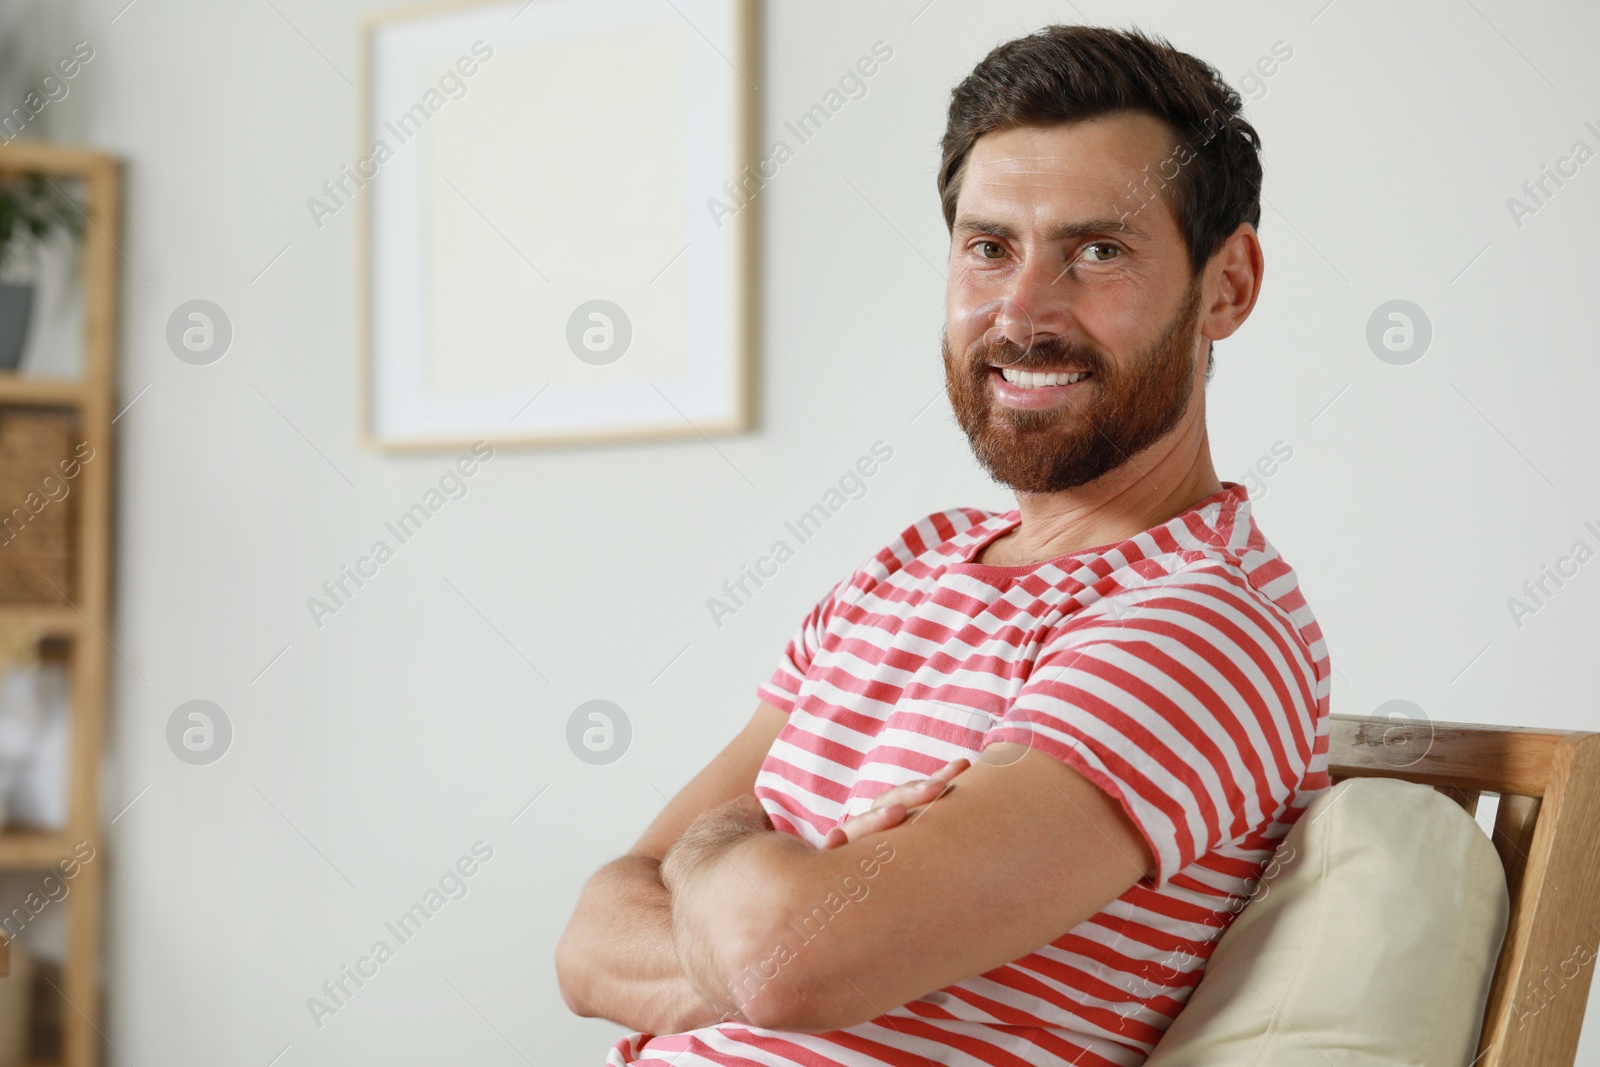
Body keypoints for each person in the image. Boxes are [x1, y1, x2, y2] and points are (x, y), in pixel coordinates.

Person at [557, 23, 1330, 1067]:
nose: (1020, 312)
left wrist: (723, 848)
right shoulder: (907, 566)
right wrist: (750, 908)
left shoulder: (1199, 624)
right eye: (988, 247)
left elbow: (787, 962)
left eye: (1096, 250)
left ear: (1226, 285)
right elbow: (587, 945)